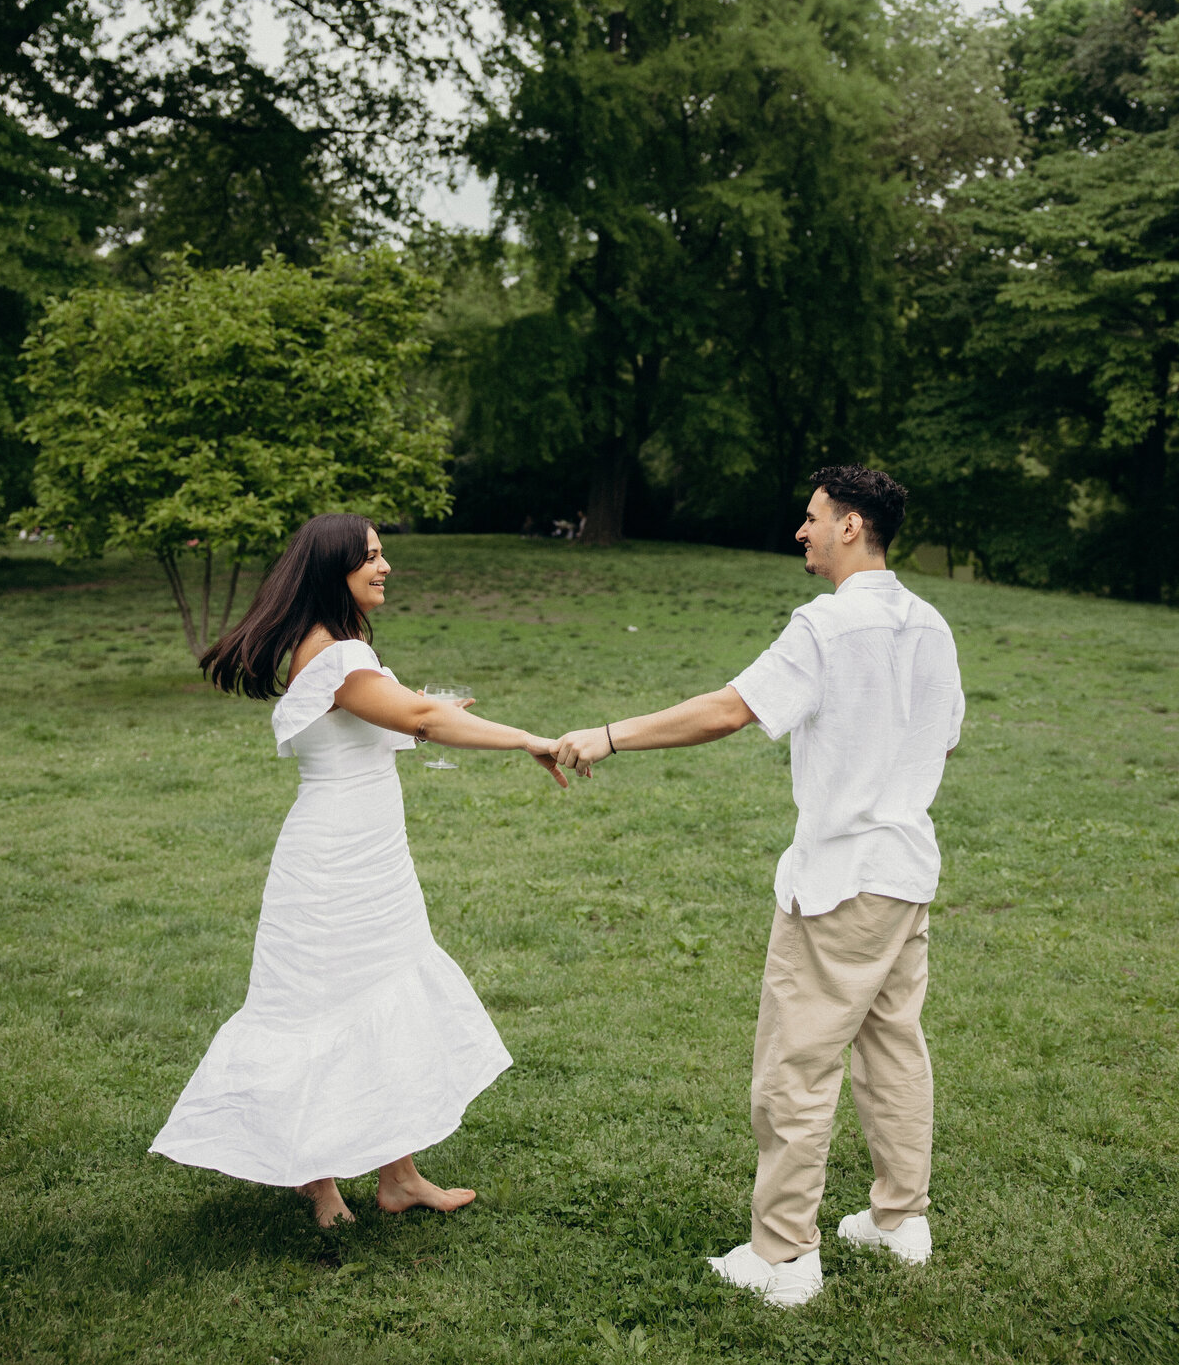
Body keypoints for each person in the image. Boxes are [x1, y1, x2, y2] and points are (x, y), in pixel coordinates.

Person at [551, 465, 964, 1308]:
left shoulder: (827, 626)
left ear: (851, 525)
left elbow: (730, 709)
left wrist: (607, 737)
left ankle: (782, 1256)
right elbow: (944, 736)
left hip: (841, 881)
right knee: (893, 1048)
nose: (801, 531)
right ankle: (898, 1220)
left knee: (796, 1067)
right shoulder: (932, 625)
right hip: (905, 872)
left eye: (811, 518)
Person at [150, 512, 567, 1228]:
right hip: (334, 865)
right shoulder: (337, 657)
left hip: (371, 858)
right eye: (371, 556)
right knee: (322, 1006)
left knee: (386, 998)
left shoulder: (337, 650)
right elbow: (421, 723)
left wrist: (426, 708)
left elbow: (407, 714)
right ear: (333, 570)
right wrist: (530, 739)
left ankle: (398, 1177)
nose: (385, 566)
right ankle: (319, 1184)